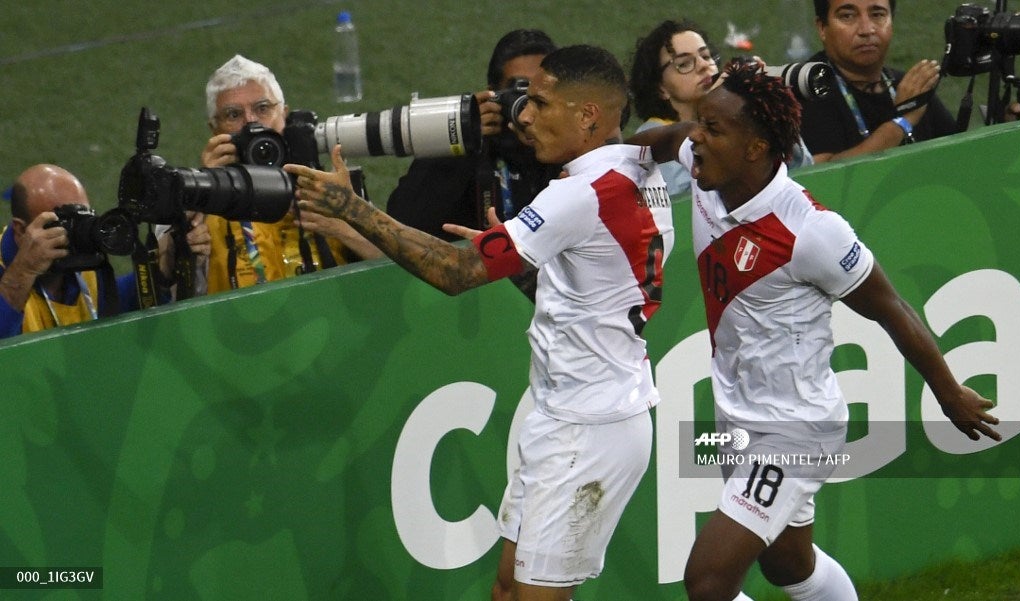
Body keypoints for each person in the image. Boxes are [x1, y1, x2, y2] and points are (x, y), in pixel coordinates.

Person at [287, 45, 674, 601]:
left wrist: (351, 208)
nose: (527, 117)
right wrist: (515, 248)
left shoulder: (580, 195)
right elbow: (595, 273)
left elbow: (453, 273)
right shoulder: (639, 167)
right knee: (508, 590)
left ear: (588, 115)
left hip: (587, 431)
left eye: (542, 104)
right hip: (570, 412)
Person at [630, 60, 1000, 601]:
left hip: (796, 430)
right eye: (701, 125)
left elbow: (891, 307)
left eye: (712, 129)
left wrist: (949, 393)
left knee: (708, 582)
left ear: (756, 148)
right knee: (789, 565)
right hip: (737, 416)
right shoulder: (710, 166)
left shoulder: (811, 231)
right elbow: (663, 141)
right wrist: (602, 165)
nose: (696, 140)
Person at [201, 54, 380, 293]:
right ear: (214, 129)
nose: (251, 122)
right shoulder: (197, 201)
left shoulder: (330, 188)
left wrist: (343, 227)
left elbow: (399, 266)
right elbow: (165, 290)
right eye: (233, 114)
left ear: (284, 115)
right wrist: (204, 197)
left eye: (263, 108)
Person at [385, 29, 563, 241]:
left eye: (540, 93)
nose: (527, 105)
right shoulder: (465, 146)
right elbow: (402, 224)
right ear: (492, 94)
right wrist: (460, 139)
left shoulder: (572, 142)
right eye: (519, 91)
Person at [0, 164, 211, 338]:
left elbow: (112, 305)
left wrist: (164, 264)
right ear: (21, 230)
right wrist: (23, 271)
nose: (75, 231)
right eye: (62, 221)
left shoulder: (81, 257)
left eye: (82, 216)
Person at [629, 19, 812, 198]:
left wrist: (770, 105)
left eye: (706, 56)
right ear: (660, 88)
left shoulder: (734, 120)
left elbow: (803, 168)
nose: (703, 66)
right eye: (684, 64)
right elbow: (685, 200)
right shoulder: (653, 133)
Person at [800, 0, 957, 162]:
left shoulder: (910, 88)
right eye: (847, 16)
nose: (866, 30)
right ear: (822, 28)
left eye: (877, 15)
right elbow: (822, 171)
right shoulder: (807, 89)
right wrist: (902, 121)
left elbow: (960, 158)